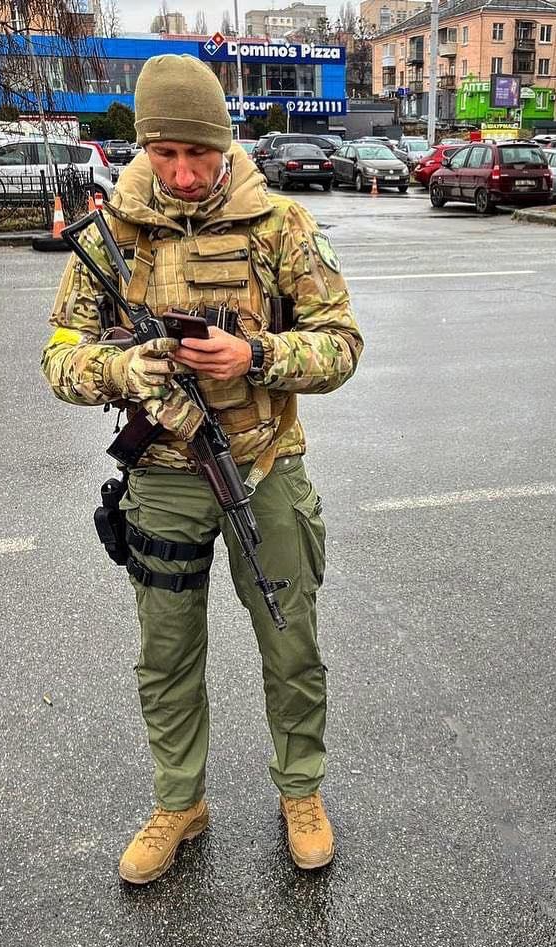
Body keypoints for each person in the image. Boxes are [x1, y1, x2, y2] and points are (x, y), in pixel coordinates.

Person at [41, 54, 362, 883]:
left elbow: (340, 345)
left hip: (264, 467)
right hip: (160, 477)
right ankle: (179, 802)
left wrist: (255, 355)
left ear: (225, 143)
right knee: (166, 654)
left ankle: (300, 791)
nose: (183, 173)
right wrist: (120, 370)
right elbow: (59, 357)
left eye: (199, 153)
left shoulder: (280, 226)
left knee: (290, 644)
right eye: (165, 152)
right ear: (144, 146)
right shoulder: (109, 238)